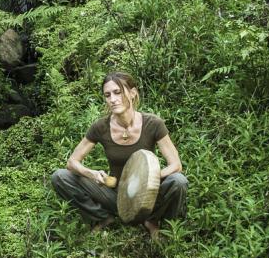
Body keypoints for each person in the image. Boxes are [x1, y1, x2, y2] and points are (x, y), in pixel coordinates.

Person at [51, 71, 187, 238]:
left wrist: (150, 178)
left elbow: (176, 165)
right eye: (107, 95)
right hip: (116, 196)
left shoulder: (153, 123)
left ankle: (153, 220)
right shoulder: (100, 127)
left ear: (132, 93)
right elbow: (72, 162)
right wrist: (91, 173)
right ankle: (104, 217)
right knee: (60, 176)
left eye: (117, 92)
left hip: (149, 195)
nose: (112, 99)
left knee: (179, 181)